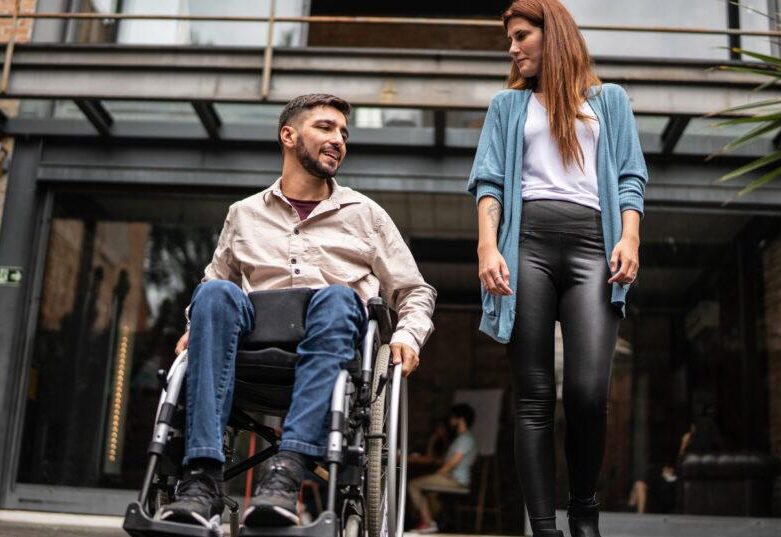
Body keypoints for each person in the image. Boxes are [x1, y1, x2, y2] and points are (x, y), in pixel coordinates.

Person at [158, 94, 437, 529]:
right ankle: (201, 478)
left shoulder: (366, 215)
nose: (338, 140)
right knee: (212, 295)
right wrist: (197, 325)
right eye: (325, 128)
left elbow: (414, 291)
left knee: (340, 297)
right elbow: (215, 281)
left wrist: (407, 336)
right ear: (288, 136)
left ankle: (288, 469)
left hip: (329, 342)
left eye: (344, 132)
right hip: (250, 349)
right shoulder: (244, 214)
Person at [466, 2, 648, 536]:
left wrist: (631, 237)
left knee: (590, 392)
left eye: (522, 36)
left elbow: (631, 178)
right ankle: (544, 527)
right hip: (526, 249)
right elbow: (491, 181)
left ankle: (584, 509)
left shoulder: (608, 101)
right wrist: (486, 247)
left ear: (555, 34)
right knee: (534, 396)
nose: (513, 47)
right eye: (510, 40)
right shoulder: (508, 106)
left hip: (596, 248)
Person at [408, 403, 478, 534]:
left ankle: (428, 522)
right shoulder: (461, 438)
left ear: (460, 419)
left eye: (453, 417)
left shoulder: (465, 439)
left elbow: (452, 463)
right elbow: (444, 460)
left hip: (455, 480)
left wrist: (437, 474)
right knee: (428, 490)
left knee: (414, 484)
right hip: (451, 477)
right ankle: (434, 521)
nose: (451, 420)